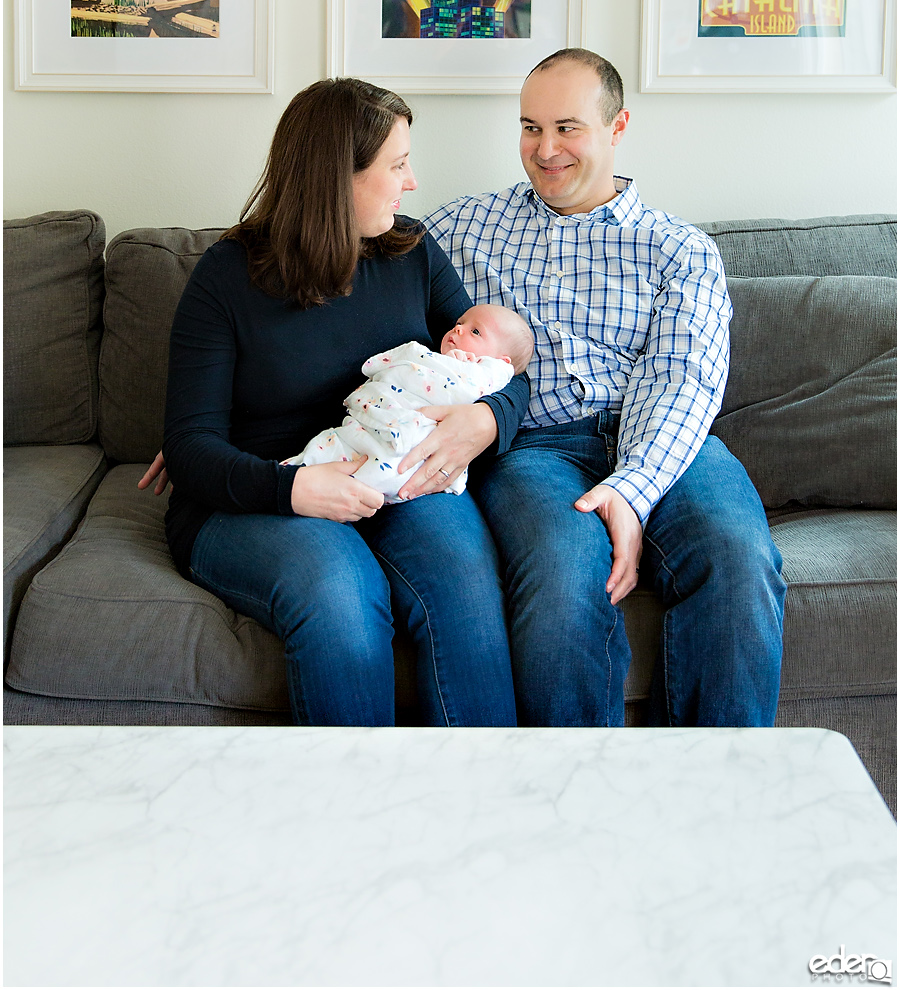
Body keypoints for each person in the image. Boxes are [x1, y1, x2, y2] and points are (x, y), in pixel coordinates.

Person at [423, 47, 787, 729]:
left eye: (568, 128)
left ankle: (722, 803)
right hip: (534, 451)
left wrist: (635, 486)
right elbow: (351, 287)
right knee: (564, 584)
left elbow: (683, 378)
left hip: (665, 443)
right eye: (531, 127)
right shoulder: (461, 226)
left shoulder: (678, 249)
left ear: (618, 127)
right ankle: (583, 811)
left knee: (738, 562)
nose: (546, 149)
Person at [155, 77, 526, 728]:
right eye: (398, 164)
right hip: (262, 496)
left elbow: (496, 363)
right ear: (339, 177)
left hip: (393, 476)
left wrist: (486, 419)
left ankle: (483, 811)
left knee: (463, 588)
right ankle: (353, 819)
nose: (412, 182)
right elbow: (190, 449)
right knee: (342, 597)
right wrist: (290, 490)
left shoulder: (411, 252)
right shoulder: (226, 277)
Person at [287, 304, 534, 500]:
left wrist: (466, 369)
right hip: (368, 424)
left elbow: (475, 385)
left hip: (409, 448)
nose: (458, 329)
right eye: (459, 323)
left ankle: (358, 487)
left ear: (501, 362)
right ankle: (293, 475)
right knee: (327, 450)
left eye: (475, 331)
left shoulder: (486, 373)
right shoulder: (436, 357)